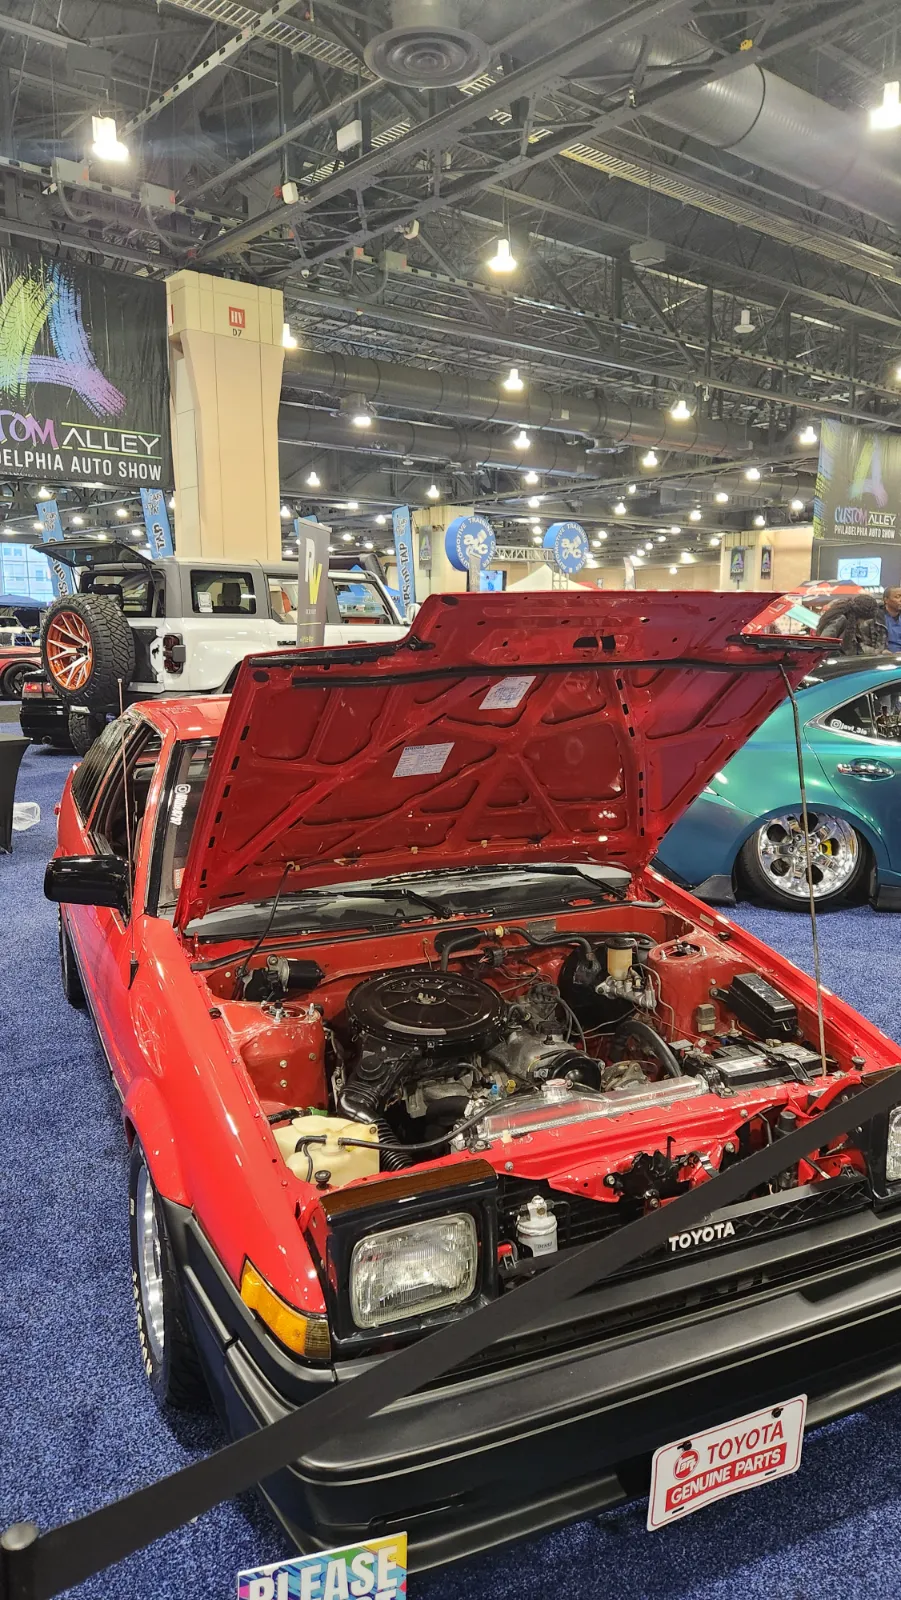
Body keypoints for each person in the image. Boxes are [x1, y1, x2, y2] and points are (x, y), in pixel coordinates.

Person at [815, 586, 901, 655]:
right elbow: (823, 644)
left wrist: (879, 652)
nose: (864, 623)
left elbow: (856, 648)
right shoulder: (840, 619)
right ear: (861, 615)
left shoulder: (851, 622)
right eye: (865, 620)